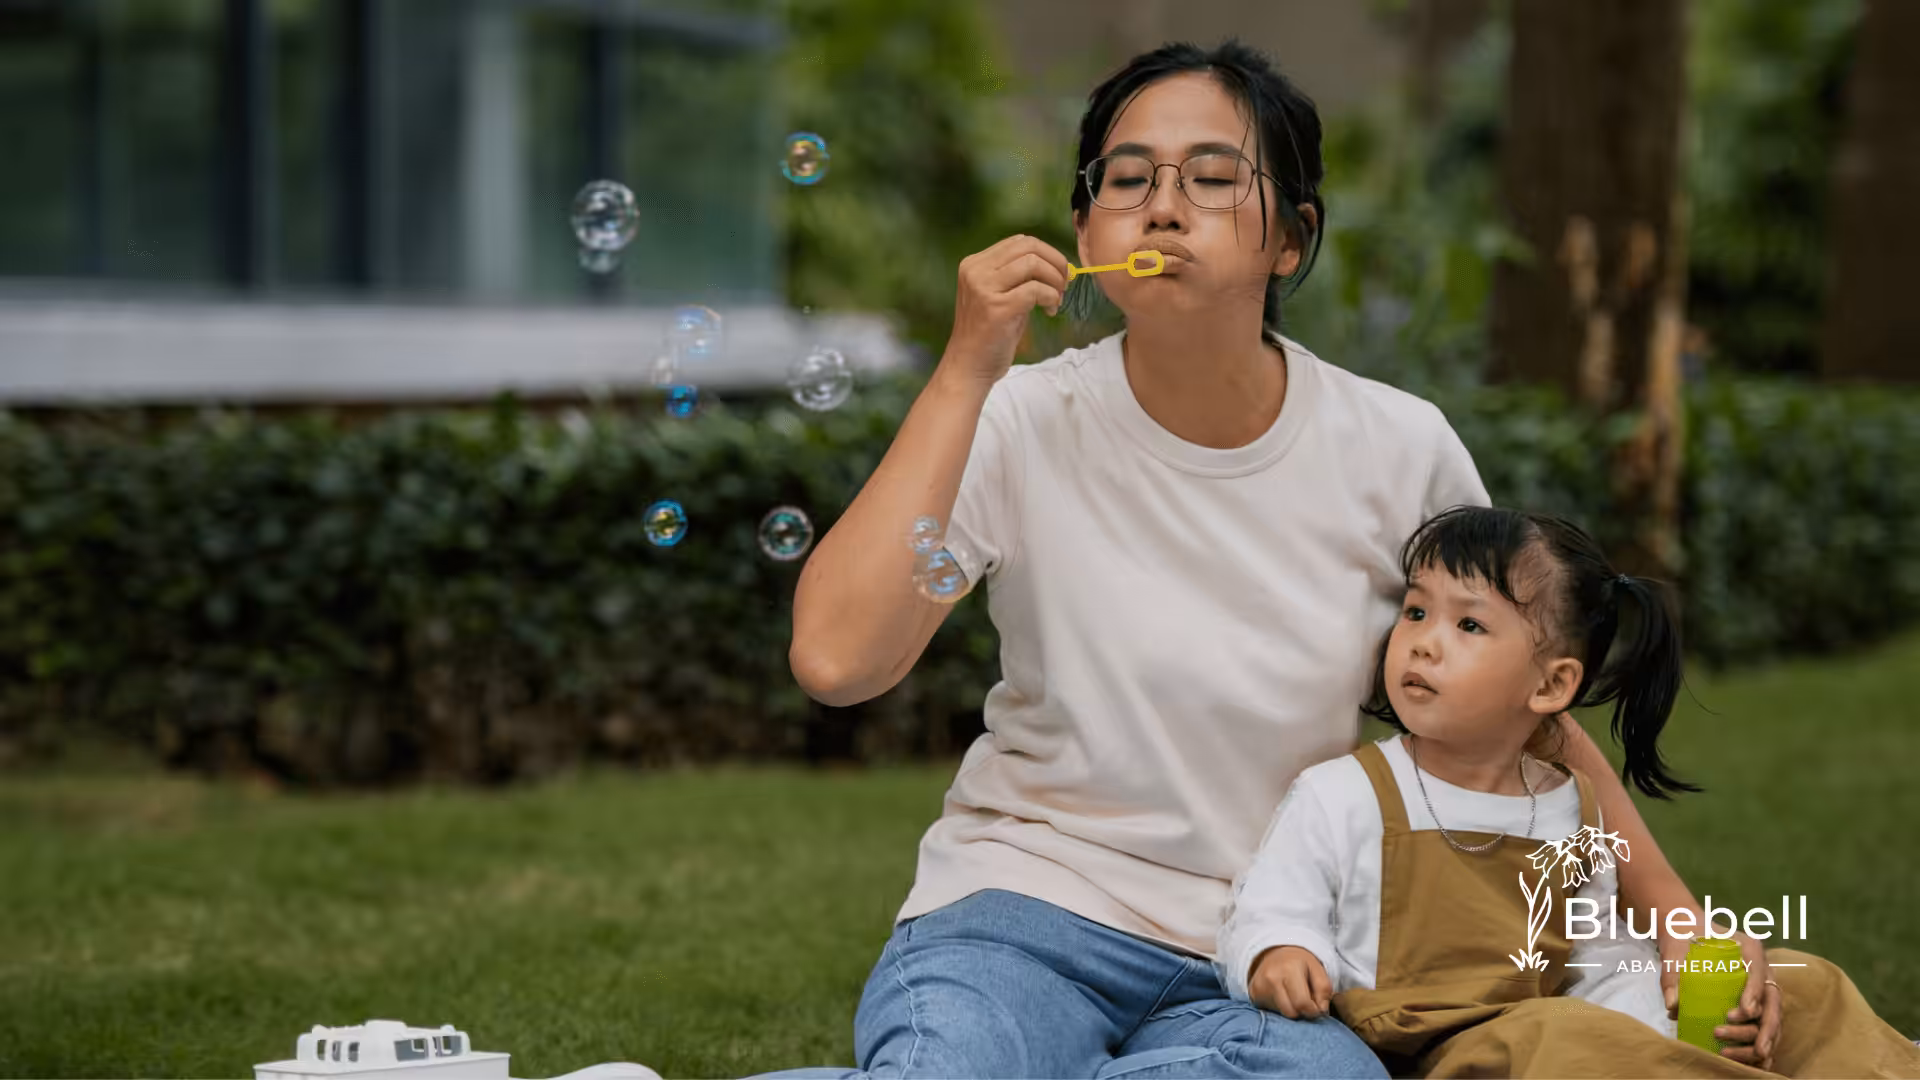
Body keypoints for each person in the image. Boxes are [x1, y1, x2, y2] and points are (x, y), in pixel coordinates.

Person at [769, 37, 1771, 1080]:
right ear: (1082, 230)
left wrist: (1681, 925)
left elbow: (1522, 703)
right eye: (1126, 179)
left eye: (1211, 177)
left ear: (1292, 241)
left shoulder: (1397, 447)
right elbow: (838, 661)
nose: (1163, 205)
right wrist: (964, 372)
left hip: (1273, 954)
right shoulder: (1019, 420)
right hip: (1019, 916)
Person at [1218, 506, 1920, 1078]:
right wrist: (1280, 951)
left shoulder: (1568, 806)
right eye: (1415, 612)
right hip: (1441, 1047)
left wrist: (1667, 1007)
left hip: (1561, 1026)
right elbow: (1273, 899)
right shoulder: (1347, 791)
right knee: (1565, 1039)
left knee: (1805, 983)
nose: (1424, 643)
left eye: (1467, 625)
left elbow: (1596, 956)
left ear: (1551, 685)